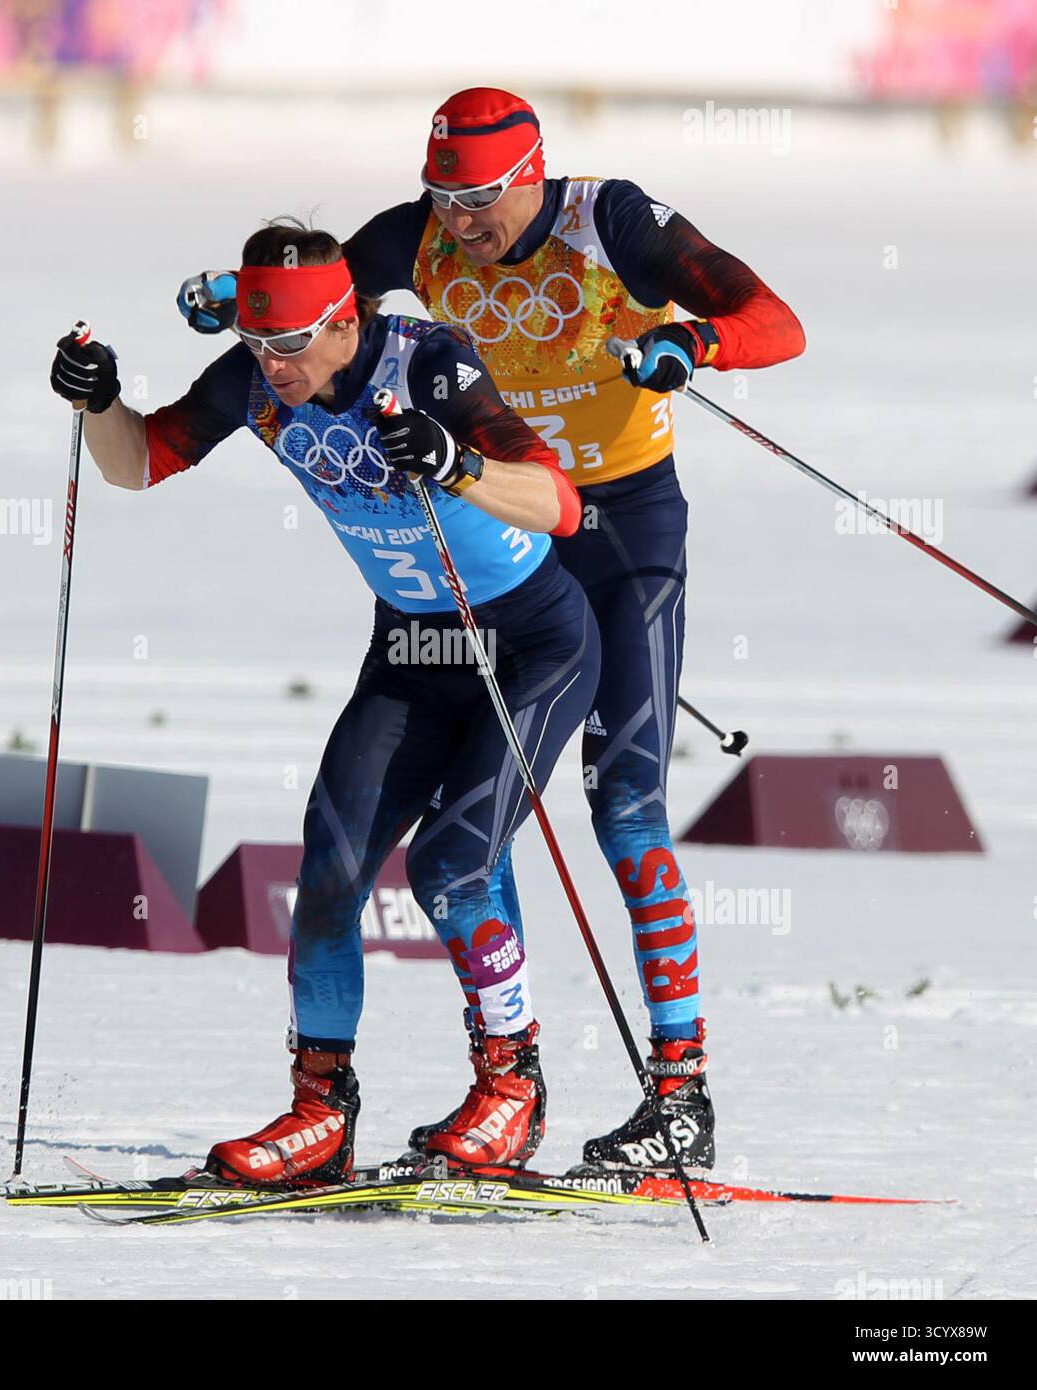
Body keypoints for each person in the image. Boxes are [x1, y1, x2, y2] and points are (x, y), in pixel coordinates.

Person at [179, 89, 806, 1173]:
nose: (460, 220)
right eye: (442, 196)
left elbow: (777, 324)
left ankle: (679, 1091)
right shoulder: (415, 238)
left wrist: (694, 342)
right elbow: (323, 298)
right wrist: (231, 298)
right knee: (474, 834)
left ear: (531, 172)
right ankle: (502, 1083)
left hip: (616, 531)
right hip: (488, 537)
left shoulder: (606, 223)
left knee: (622, 803)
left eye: (480, 197)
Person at [50, 221, 600, 1183]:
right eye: (260, 344)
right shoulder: (256, 377)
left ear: (347, 322)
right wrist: (101, 403)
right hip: (415, 649)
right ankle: (322, 1114)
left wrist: (453, 460)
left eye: (294, 345)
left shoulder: (430, 364)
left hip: (531, 646)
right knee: (331, 873)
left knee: (452, 868)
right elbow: (135, 462)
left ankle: (512, 1085)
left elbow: (561, 504)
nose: (274, 365)